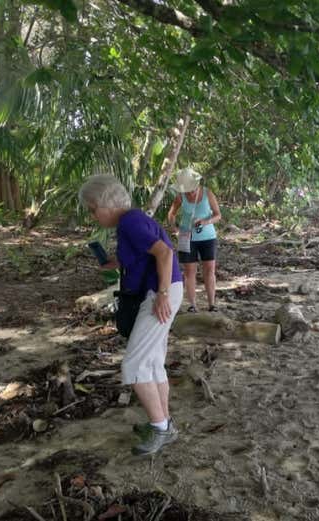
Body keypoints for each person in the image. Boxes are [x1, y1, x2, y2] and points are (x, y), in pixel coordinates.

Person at [78, 175, 183, 456]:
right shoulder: (131, 222)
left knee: (134, 366)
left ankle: (160, 428)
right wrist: (115, 262)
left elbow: (165, 253)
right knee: (151, 362)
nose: (93, 216)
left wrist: (161, 295)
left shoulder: (130, 222)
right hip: (162, 290)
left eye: (92, 209)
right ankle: (165, 423)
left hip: (159, 291)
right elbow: (145, 253)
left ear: (106, 205)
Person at [167, 168, 222, 312]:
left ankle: (212, 304)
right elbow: (171, 214)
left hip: (208, 237)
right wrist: (174, 227)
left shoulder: (207, 193)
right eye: (187, 190)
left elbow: (218, 215)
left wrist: (205, 222)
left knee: (209, 270)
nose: (190, 193)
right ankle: (192, 305)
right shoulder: (180, 197)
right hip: (187, 237)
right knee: (189, 272)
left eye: (192, 189)